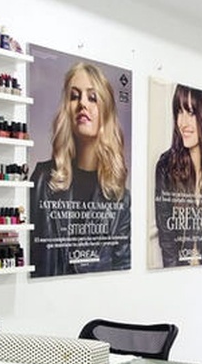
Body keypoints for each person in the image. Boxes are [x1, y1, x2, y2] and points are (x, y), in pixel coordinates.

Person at [30, 61, 131, 277]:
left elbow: (122, 267)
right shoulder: (43, 179)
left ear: (105, 110)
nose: (82, 103)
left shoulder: (120, 198)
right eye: (74, 96)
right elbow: (32, 255)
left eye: (92, 97)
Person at [155, 83, 202, 267]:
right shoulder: (165, 166)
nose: (183, 122)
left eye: (191, 113)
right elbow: (166, 238)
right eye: (179, 111)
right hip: (177, 272)